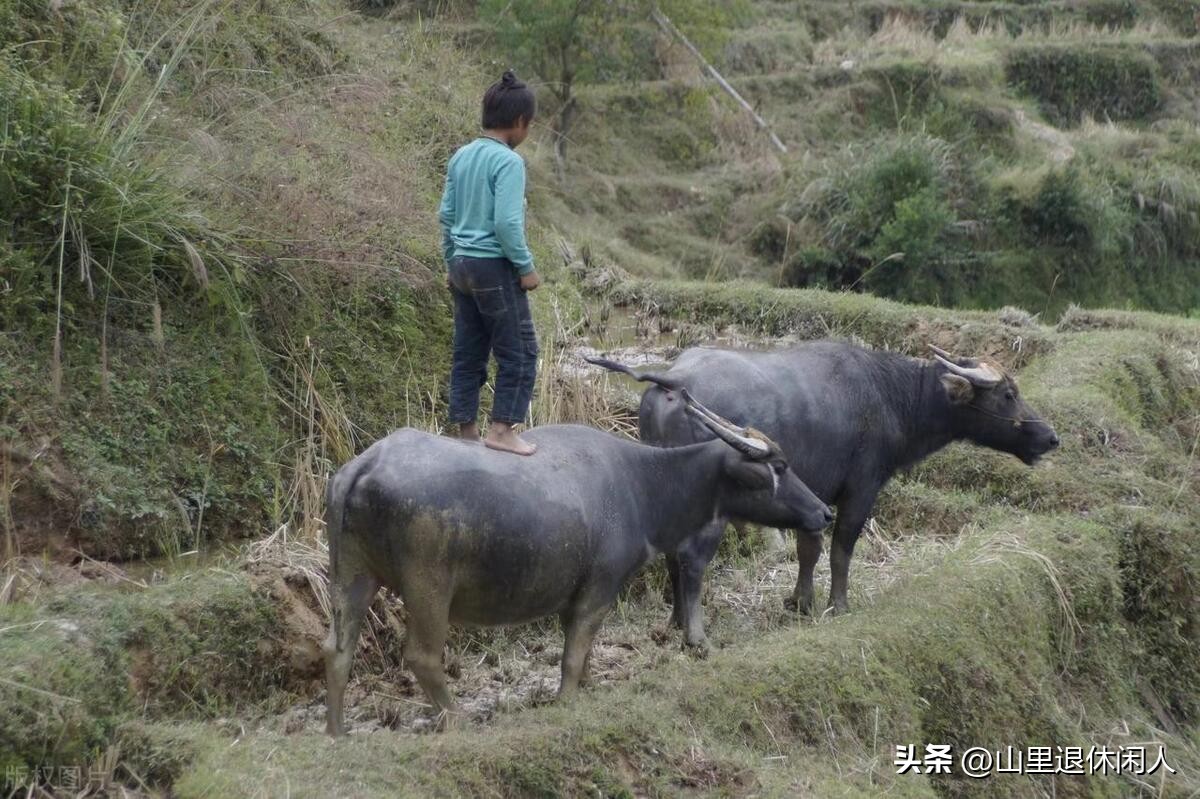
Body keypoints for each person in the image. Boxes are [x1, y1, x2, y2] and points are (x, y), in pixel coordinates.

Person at [439, 70, 541, 455]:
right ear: (518, 123)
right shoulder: (509, 162)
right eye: (528, 125)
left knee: (469, 349)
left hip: (462, 265)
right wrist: (526, 267)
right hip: (492, 267)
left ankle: (465, 431)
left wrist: (451, 260)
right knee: (520, 350)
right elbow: (506, 223)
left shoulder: (461, 156)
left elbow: (446, 215)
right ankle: (501, 431)